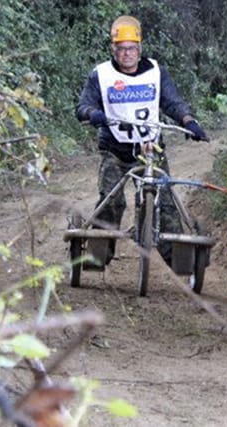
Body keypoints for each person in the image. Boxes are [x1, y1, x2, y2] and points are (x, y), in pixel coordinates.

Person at [75, 15, 208, 270]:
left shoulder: (156, 72)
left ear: (140, 48)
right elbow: (83, 105)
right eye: (121, 48)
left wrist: (189, 121)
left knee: (167, 200)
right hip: (115, 148)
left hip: (150, 148)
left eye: (131, 48)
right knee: (111, 200)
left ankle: (181, 263)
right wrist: (94, 114)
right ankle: (97, 256)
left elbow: (172, 102)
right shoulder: (100, 75)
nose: (126, 54)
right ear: (113, 49)